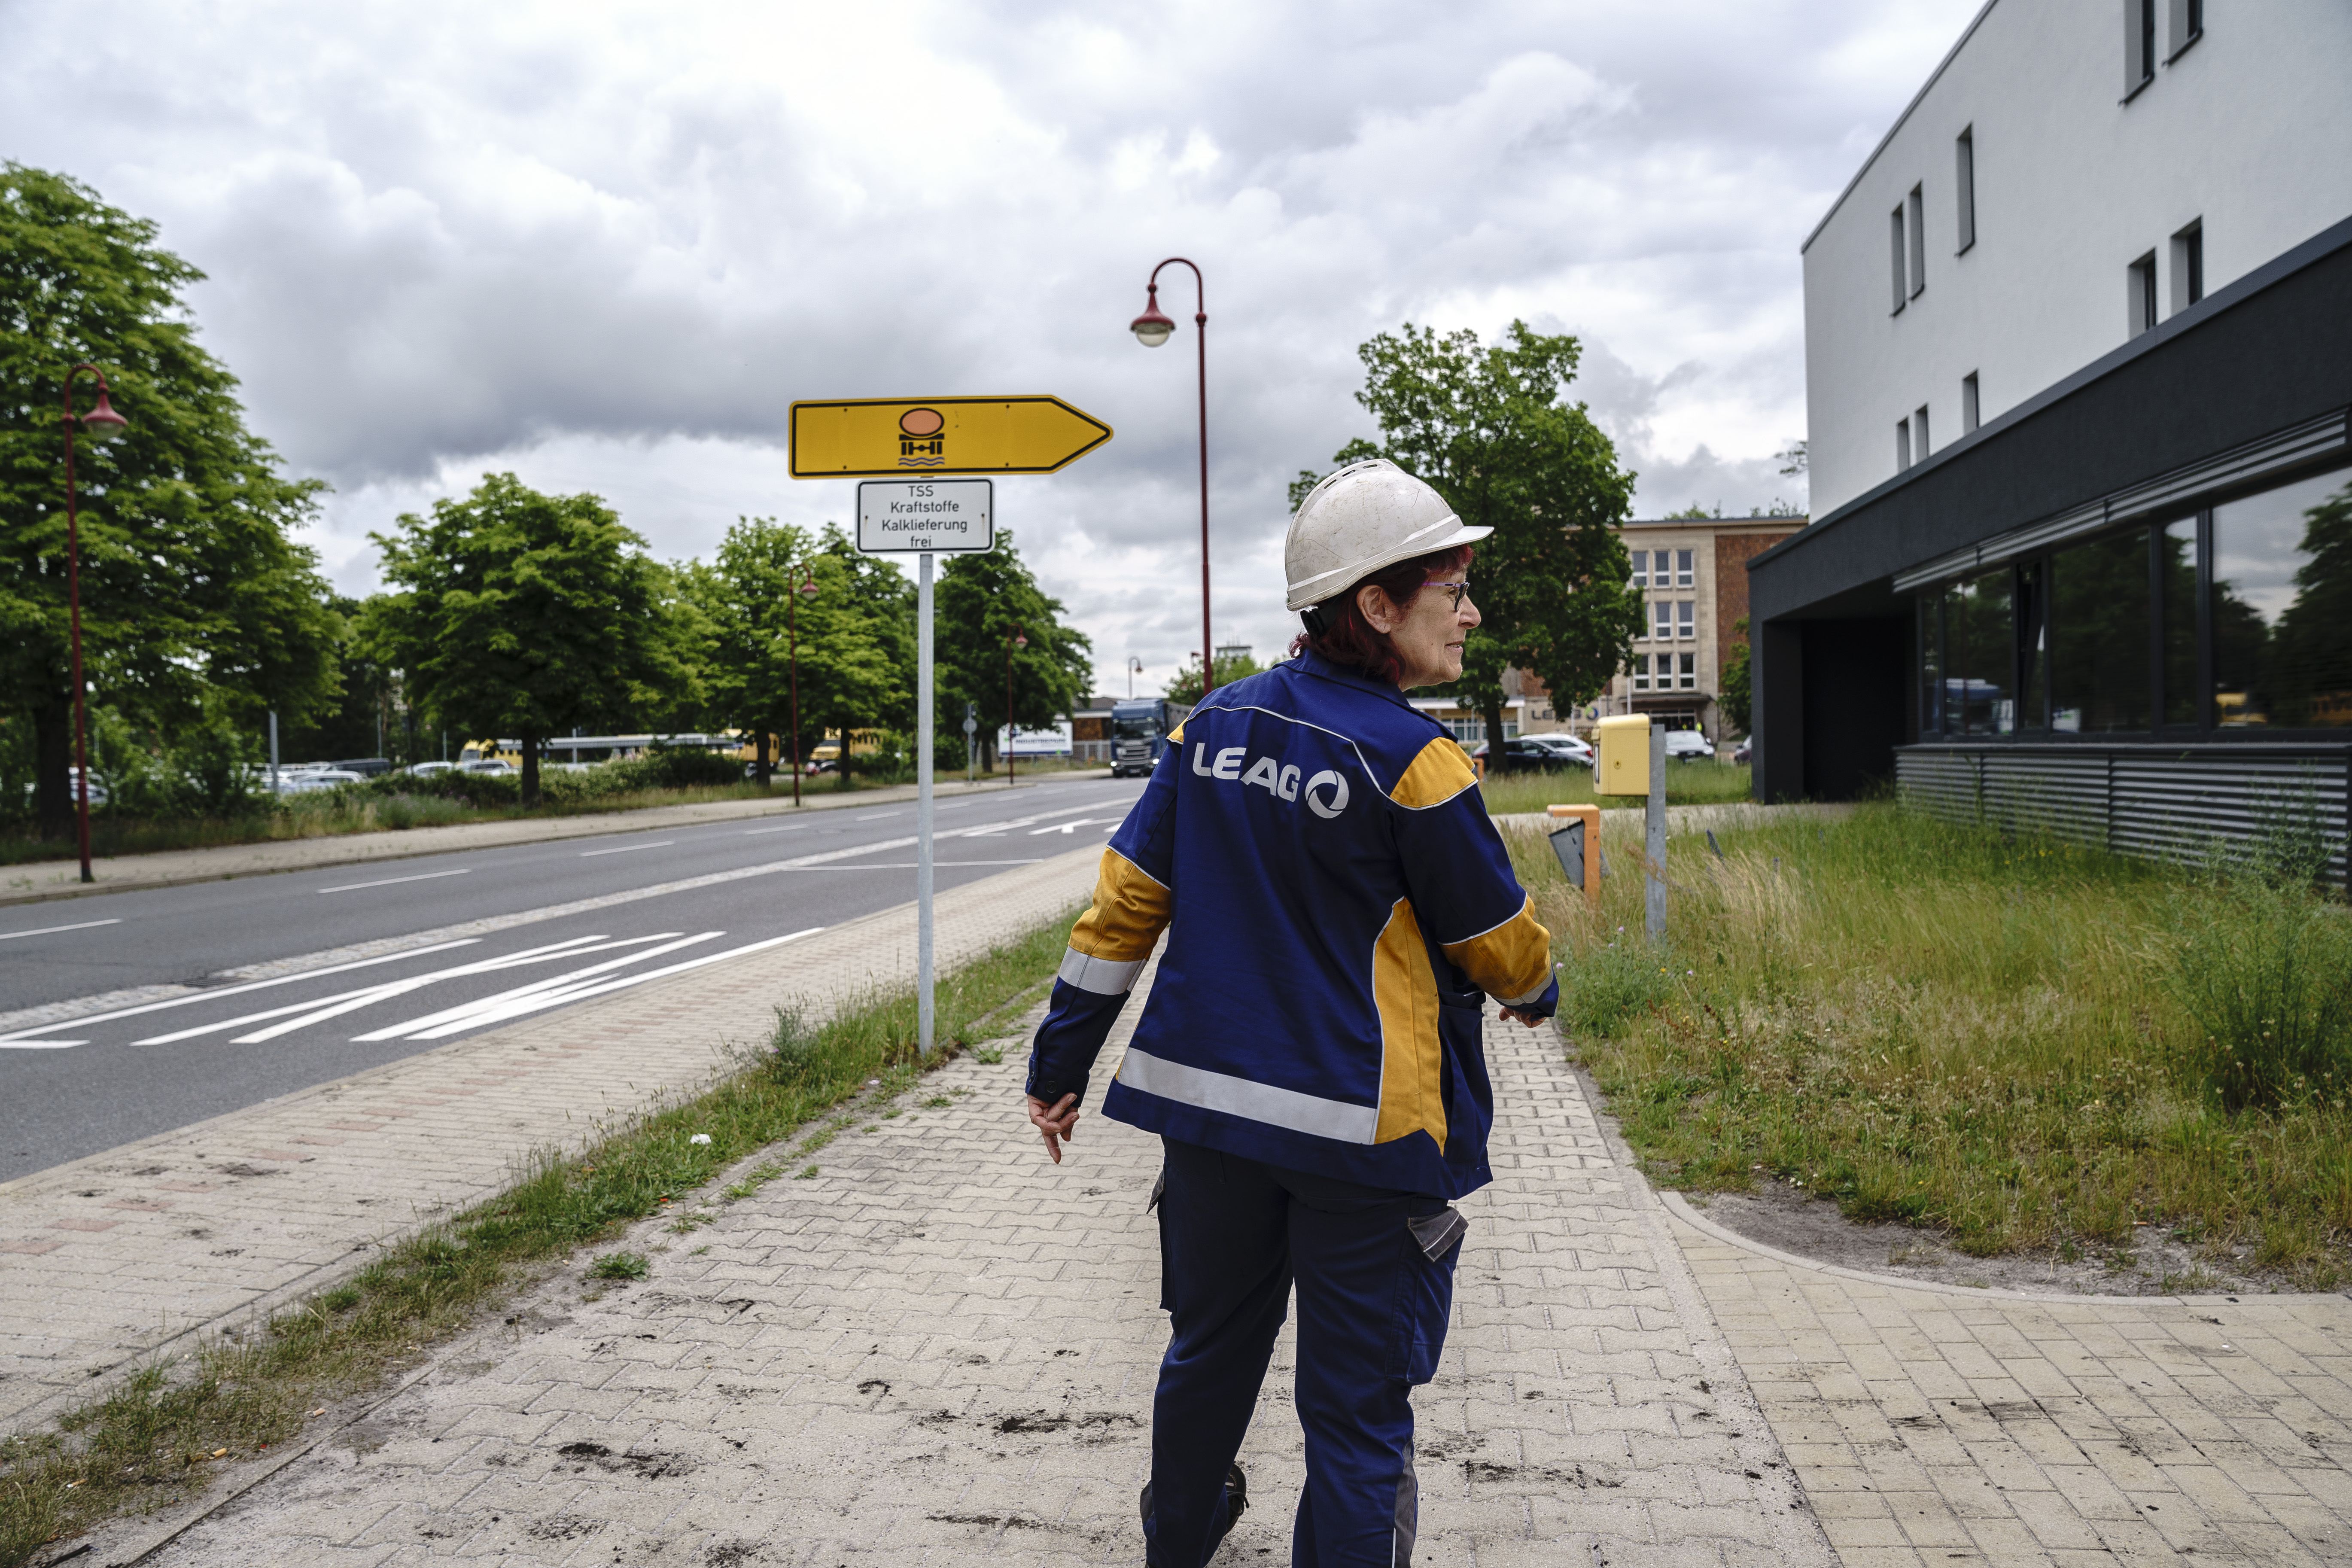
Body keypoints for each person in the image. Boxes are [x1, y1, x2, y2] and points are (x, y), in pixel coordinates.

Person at [1022, 458, 1560, 1567]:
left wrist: (1058, 1062)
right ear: (1376, 604)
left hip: (1211, 1127)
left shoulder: (1210, 728)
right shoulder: (1418, 763)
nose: (1471, 609)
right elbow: (1499, 941)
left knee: (1207, 1354)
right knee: (1356, 1414)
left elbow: (1124, 907)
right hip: (1366, 1145)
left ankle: (1175, 1547)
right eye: (1449, 583)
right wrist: (1538, 991)